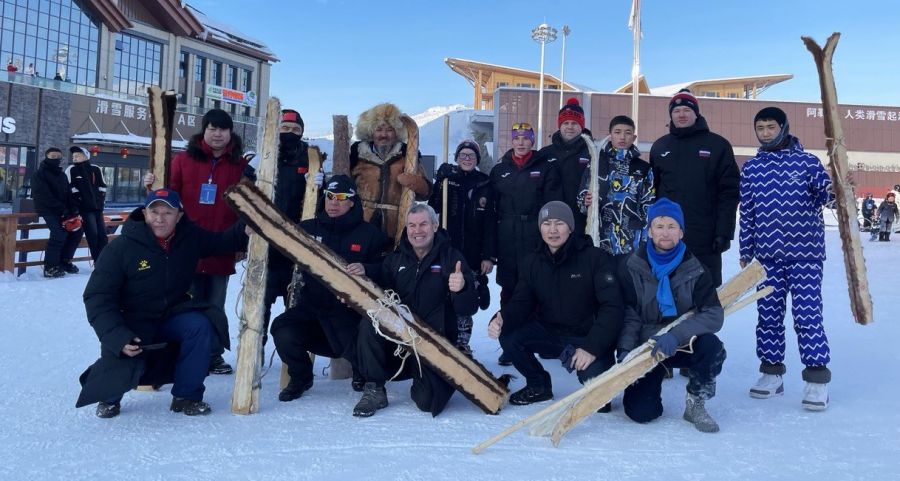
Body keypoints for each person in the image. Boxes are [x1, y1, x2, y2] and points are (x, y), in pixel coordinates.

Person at [75, 189, 248, 418]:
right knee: (120, 361)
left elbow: (225, 241)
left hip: (171, 314)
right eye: (154, 212)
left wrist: (249, 219)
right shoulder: (121, 248)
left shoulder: (189, 237)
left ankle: (187, 396)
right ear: (144, 213)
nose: (160, 218)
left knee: (198, 325)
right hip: (132, 320)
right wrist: (117, 336)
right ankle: (109, 398)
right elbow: (97, 297)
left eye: (168, 212)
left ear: (179, 215)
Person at [739, 107, 834, 411]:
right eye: (760, 128)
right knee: (768, 316)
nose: (766, 133)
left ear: (783, 127)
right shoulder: (752, 168)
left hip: (805, 255)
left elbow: (827, 196)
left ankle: (817, 379)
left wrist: (839, 188)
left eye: (771, 126)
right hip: (767, 257)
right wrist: (745, 249)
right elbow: (747, 212)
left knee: (807, 316)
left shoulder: (807, 163)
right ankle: (771, 374)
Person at [144, 108, 249, 375]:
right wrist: (151, 186)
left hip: (221, 246)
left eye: (223, 129)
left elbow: (247, 206)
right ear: (204, 130)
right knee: (184, 302)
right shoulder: (183, 160)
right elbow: (166, 197)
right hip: (185, 245)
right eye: (212, 128)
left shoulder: (240, 166)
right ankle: (184, 354)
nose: (217, 134)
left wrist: (239, 242)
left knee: (214, 304)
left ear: (230, 132)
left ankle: (213, 355)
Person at [487, 201, 622, 406]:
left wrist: (592, 347)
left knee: (599, 401)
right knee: (509, 335)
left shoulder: (595, 258)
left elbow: (612, 308)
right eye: (546, 223)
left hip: (586, 336)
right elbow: (521, 302)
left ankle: (597, 372)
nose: (552, 230)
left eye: (559, 223)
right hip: (550, 333)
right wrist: (501, 319)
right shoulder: (532, 261)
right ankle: (538, 385)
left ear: (570, 227)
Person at [352, 204, 478, 418]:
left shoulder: (451, 258)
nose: (417, 231)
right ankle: (374, 388)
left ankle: (438, 376)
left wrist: (462, 288)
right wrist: (363, 274)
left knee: (427, 402)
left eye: (423, 224)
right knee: (371, 321)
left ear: (435, 226)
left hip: (433, 342)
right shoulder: (396, 258)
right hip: (399, 342)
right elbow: (380, 282)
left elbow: (469, 307)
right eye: (412, 225)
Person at [271, 175, 386, 401]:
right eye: (330, 196)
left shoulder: (370, 234)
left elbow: (386, 270)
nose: (334, 203)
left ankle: (361, 370)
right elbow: (279, 253)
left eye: (341, 198)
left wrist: (367, 269)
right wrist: (255, 234)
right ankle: (301, 377)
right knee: (282, 329)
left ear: (352, 202)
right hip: (313, 308)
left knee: (362, 338)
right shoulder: (307, 229)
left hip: (349, 313)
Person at [617, 198, 726, 432]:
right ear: (649, 231)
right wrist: (626, 351)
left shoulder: (696, 269)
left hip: (681, 341)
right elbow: (630, 314)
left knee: (712, 347)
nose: (665, 233)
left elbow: (714, 315)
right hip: (647, 345)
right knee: (641, 413)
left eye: (671, 226)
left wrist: (675, 336)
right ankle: (655, 373)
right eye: (659, 226)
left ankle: (696, 401)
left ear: (681, 232)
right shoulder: (631, 266)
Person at [649, 89, 740, 287]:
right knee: (668, 291)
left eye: (687, 110)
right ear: (671, 115)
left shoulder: (718, 145)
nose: (681, 114)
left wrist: (724, 232)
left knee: (705, 292)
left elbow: (729, 192)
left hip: (705, 236)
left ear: (696, 113)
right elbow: (652, 192)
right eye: (676, 111)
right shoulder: (660, 147)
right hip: (668, 236)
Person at [490, 122, 562, 365]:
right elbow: (490, 210)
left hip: (534, 235)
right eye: (516, 138)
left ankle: (539, 341)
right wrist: (490, 249)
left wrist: (551, 239)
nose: (521, 142)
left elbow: (553, 205)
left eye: (526, 138)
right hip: (507, 238)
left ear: (532, 140)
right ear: (511, 141)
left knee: (537, 289)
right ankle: (509, 343)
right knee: (509, 291)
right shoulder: (500, 170)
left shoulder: (545, 167)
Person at [260, 109, 323, 346]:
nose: (290, 133)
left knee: (295, 302)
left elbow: (320, 204)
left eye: (296, 130)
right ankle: (254, 350)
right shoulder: (265, 156)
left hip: (296, 244)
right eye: (285, 128)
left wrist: (321, 184)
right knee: (260, 304)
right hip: (266, 244)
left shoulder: (310, 158)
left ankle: (292, 354)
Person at [429, 140, 497, 355]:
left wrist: (489, 256)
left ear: (477, 159)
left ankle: (462, 342)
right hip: (448, 249)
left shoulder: (484, 183)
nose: (467, 159)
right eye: (463, 155)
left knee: (465, 298)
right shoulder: (449, 179)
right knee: (443, 295)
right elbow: (433, 207)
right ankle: (442, 339)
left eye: (471, 155)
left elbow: (490, 223)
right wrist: (439, 182)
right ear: (457, 157)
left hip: (473, 253)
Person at [350, 102, 431, 249]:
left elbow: (426, 192)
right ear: (370, 132)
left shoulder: (408, 155)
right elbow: (344, 187)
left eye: (389, 130)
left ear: (397, 133)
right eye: (379, 129)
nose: (383, 135)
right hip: (361, 224)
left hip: (396, 227)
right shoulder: (356, 155)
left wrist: (414, 182)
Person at [578, 115, 656, 259]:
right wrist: (585, 201)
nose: (622, 137)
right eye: (617, 132)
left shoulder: (643, 168)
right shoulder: (596, 164)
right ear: (610, 135)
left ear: (634, 137)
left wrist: (644, 240)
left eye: (628, 133)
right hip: (600, 239)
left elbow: (649, 206)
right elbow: (582, 198)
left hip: (631, 243)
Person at [539, 98, 593, 234]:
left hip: (582, 221)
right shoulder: (544, 154)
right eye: (566, 123)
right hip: (552, 221)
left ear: (581, 126)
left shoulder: (593, 153)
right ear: (560, 125)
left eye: (574, 123)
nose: (570, 127)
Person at [31, 147, 83, 278]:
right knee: (59, 234)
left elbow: (68, 193)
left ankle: (64, 261)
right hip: (48, 209)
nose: (55, 159)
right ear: (46, 157)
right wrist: (62, 209)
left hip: (63, 209)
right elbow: (44, 196)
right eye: (52, 157)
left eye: (58, 157)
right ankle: (50, 267)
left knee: (76, 231)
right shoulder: (39, 175)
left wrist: (73, 209)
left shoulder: (62, 175)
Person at [66, 146, 108, 261]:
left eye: (77, 156)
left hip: (98, 209)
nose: (74, 158)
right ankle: (97, 261)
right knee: (92, 235)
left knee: (102, 235)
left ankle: (105, 261)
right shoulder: (71, 169)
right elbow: (69, 188)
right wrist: (78, 203)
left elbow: (103, 186)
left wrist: (101, 201)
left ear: (86, 156)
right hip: (84, 210)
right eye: (73, 156)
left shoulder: (96, 168)